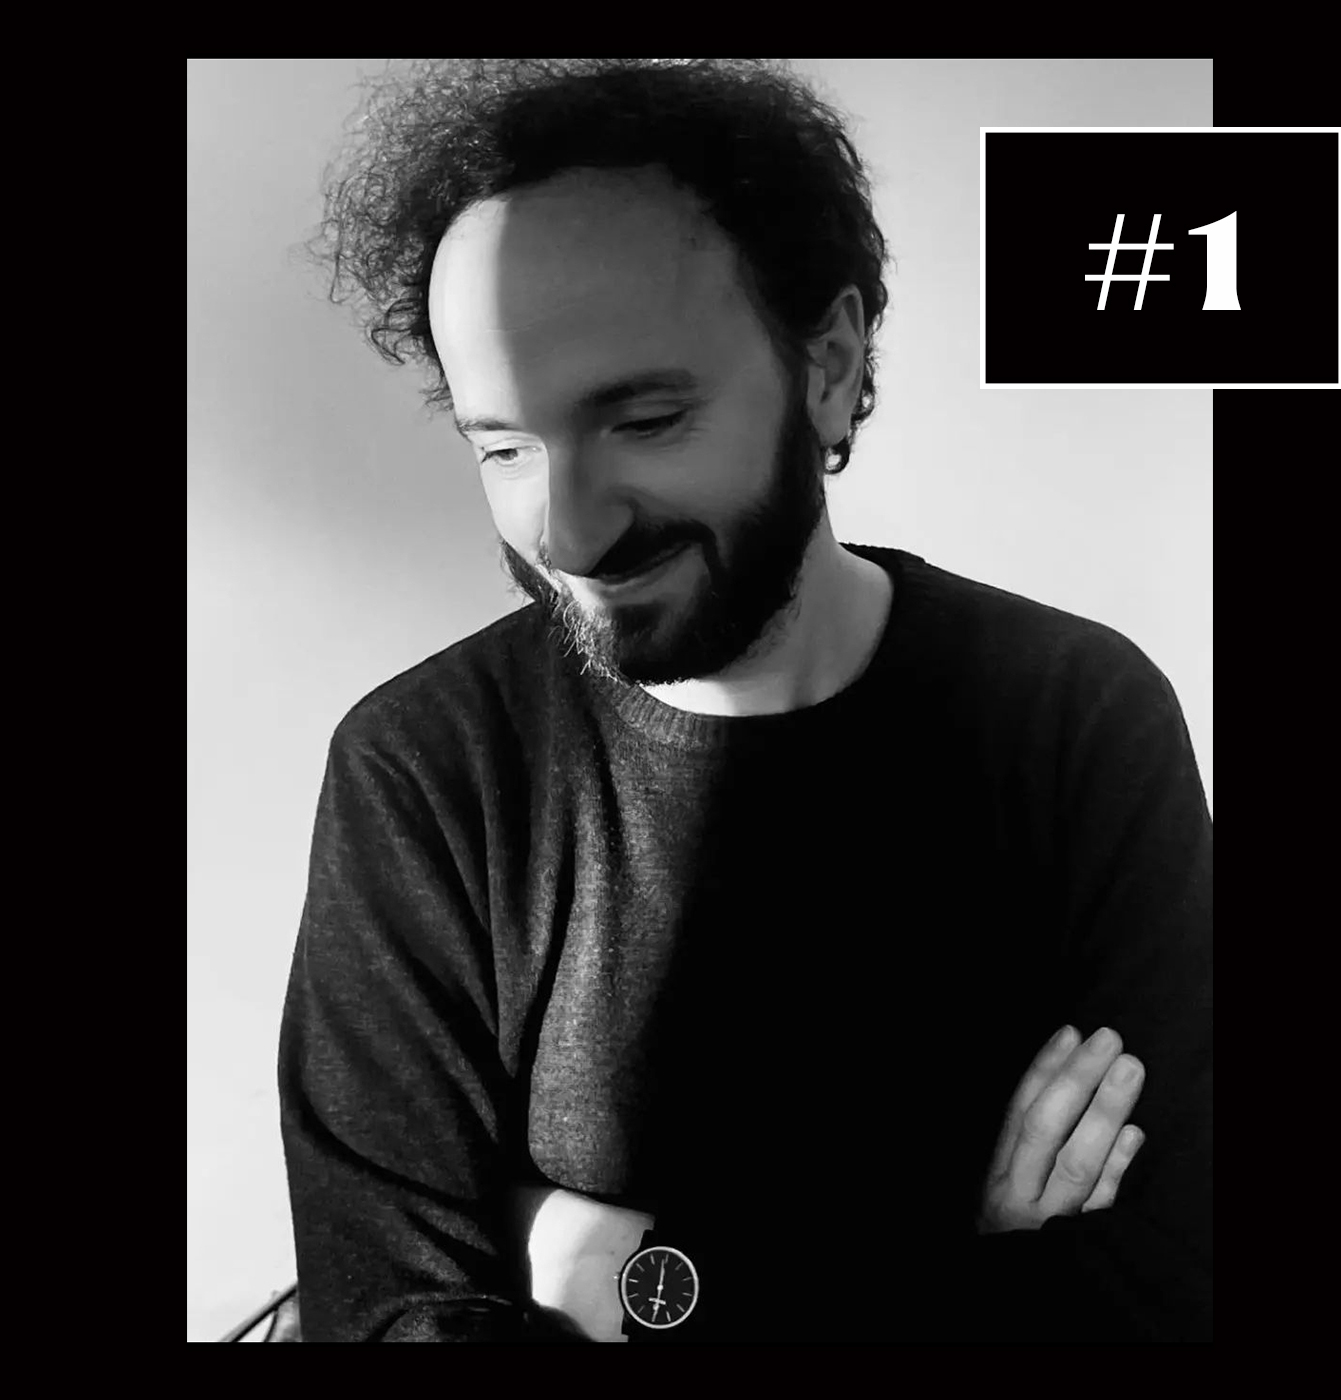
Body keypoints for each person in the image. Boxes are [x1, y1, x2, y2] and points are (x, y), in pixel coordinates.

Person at [278, 58, 1212, 1344]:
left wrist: (618, 1273)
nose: (568, 531)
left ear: (826, 363)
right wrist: (953, 1253)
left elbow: (1163, 1293)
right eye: (502, 446)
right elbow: (389, 1317)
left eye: (646, 419)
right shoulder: (423, 770)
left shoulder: (1075, 717)